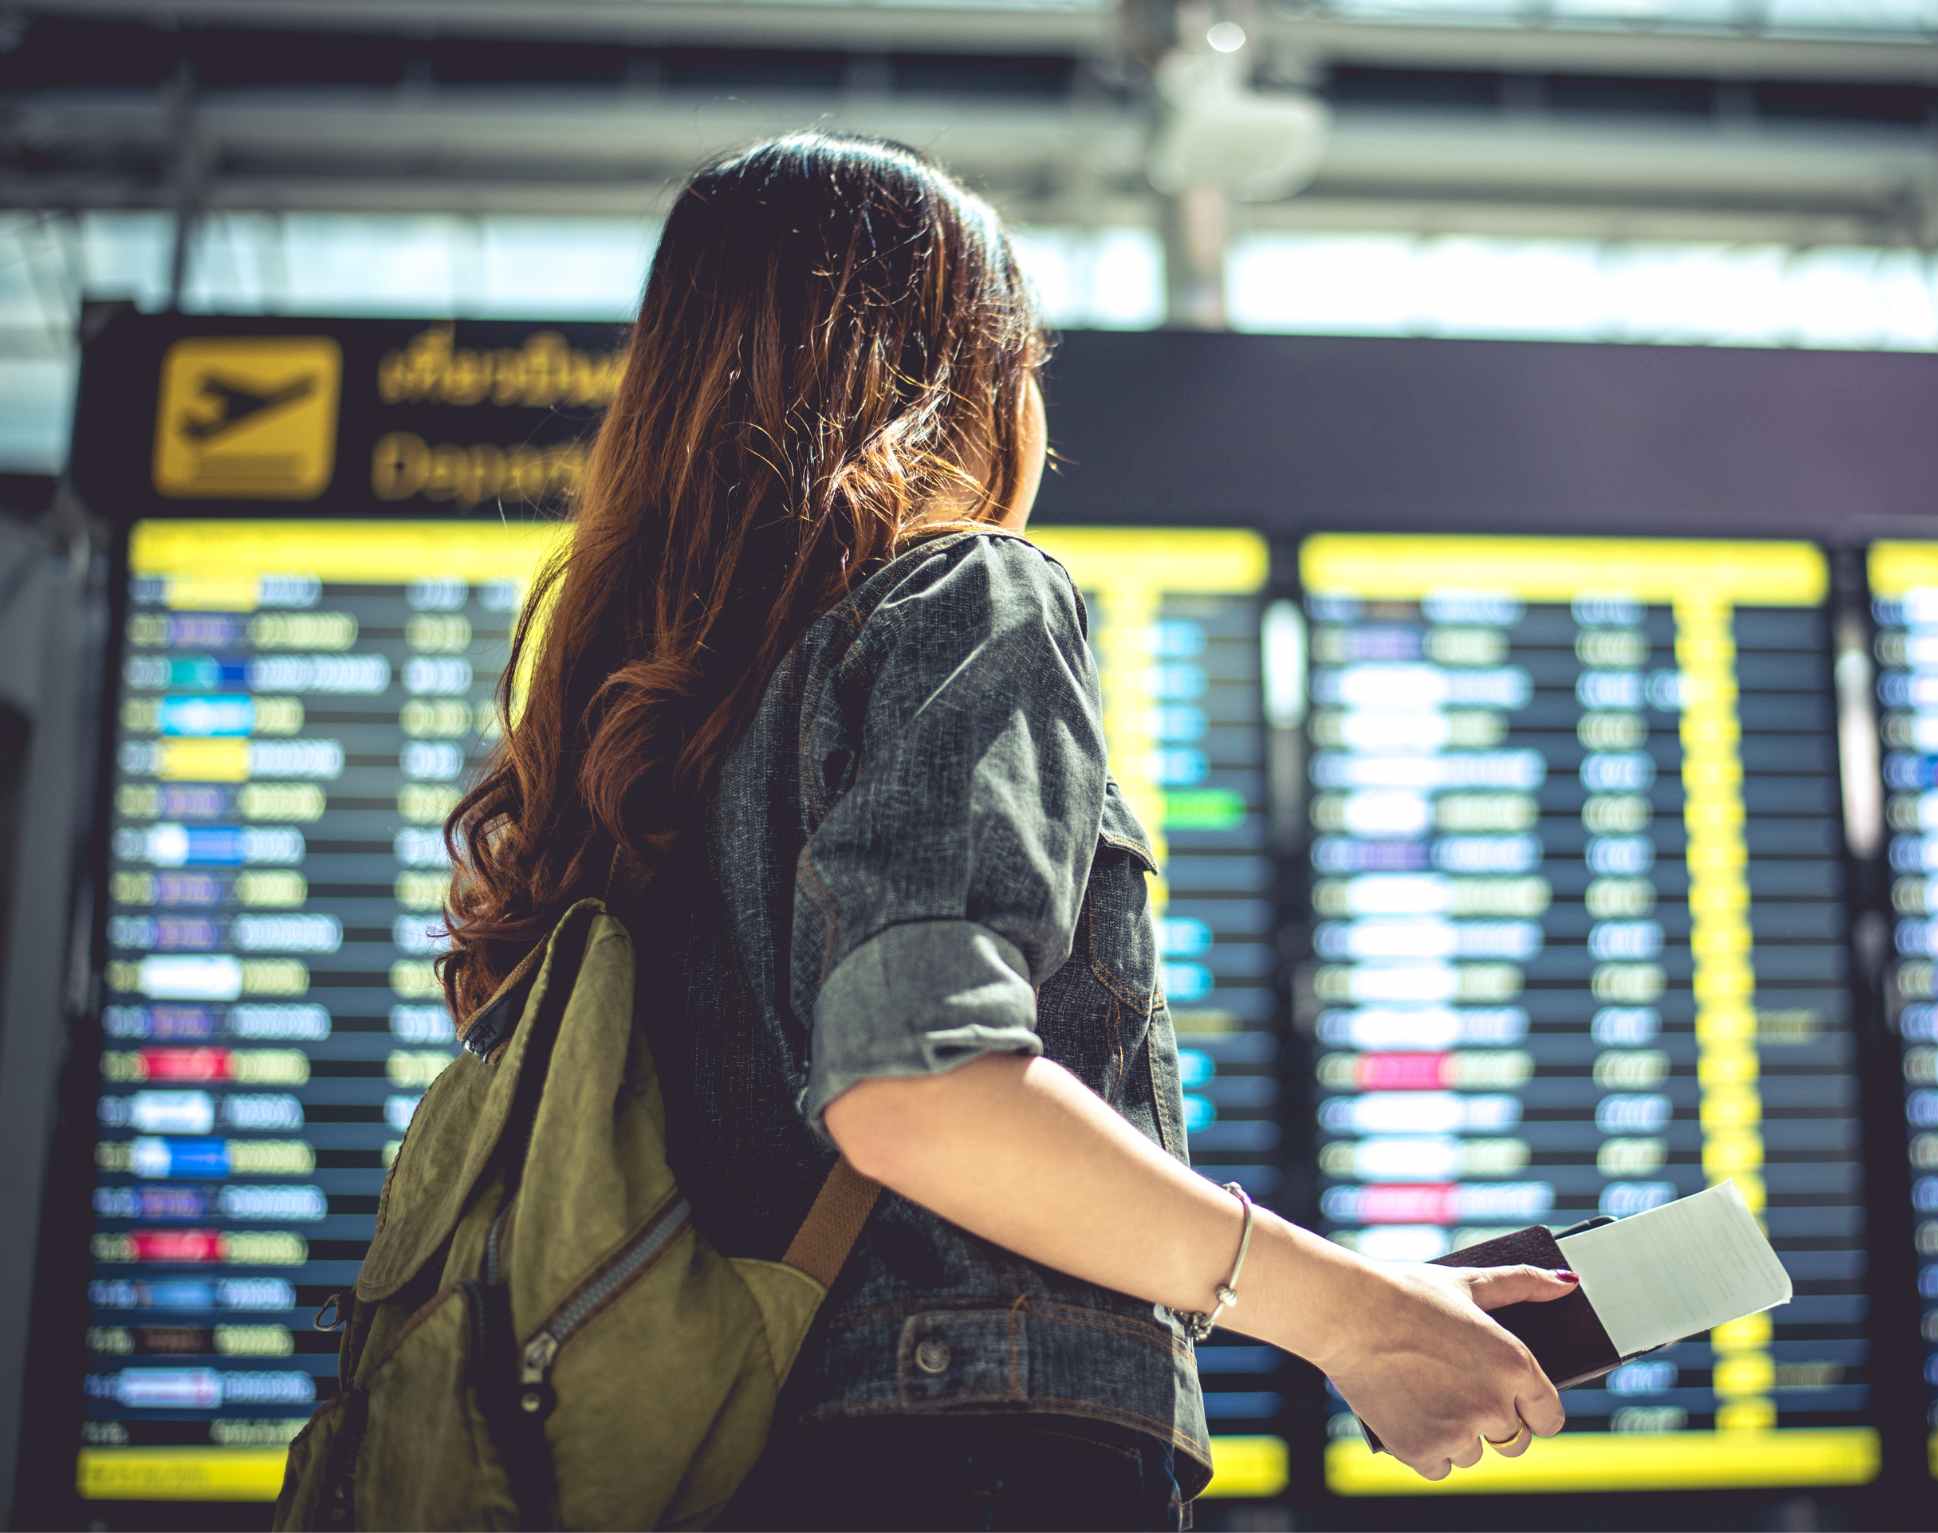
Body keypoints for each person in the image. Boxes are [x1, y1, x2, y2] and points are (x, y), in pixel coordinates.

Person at [436, 132, 1573, 1531]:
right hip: (965, 1467)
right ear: (965, 381)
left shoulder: (635, 735)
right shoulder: (965, 598)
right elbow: (920, 1088)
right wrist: (1350, 1315)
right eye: (1021, 357)